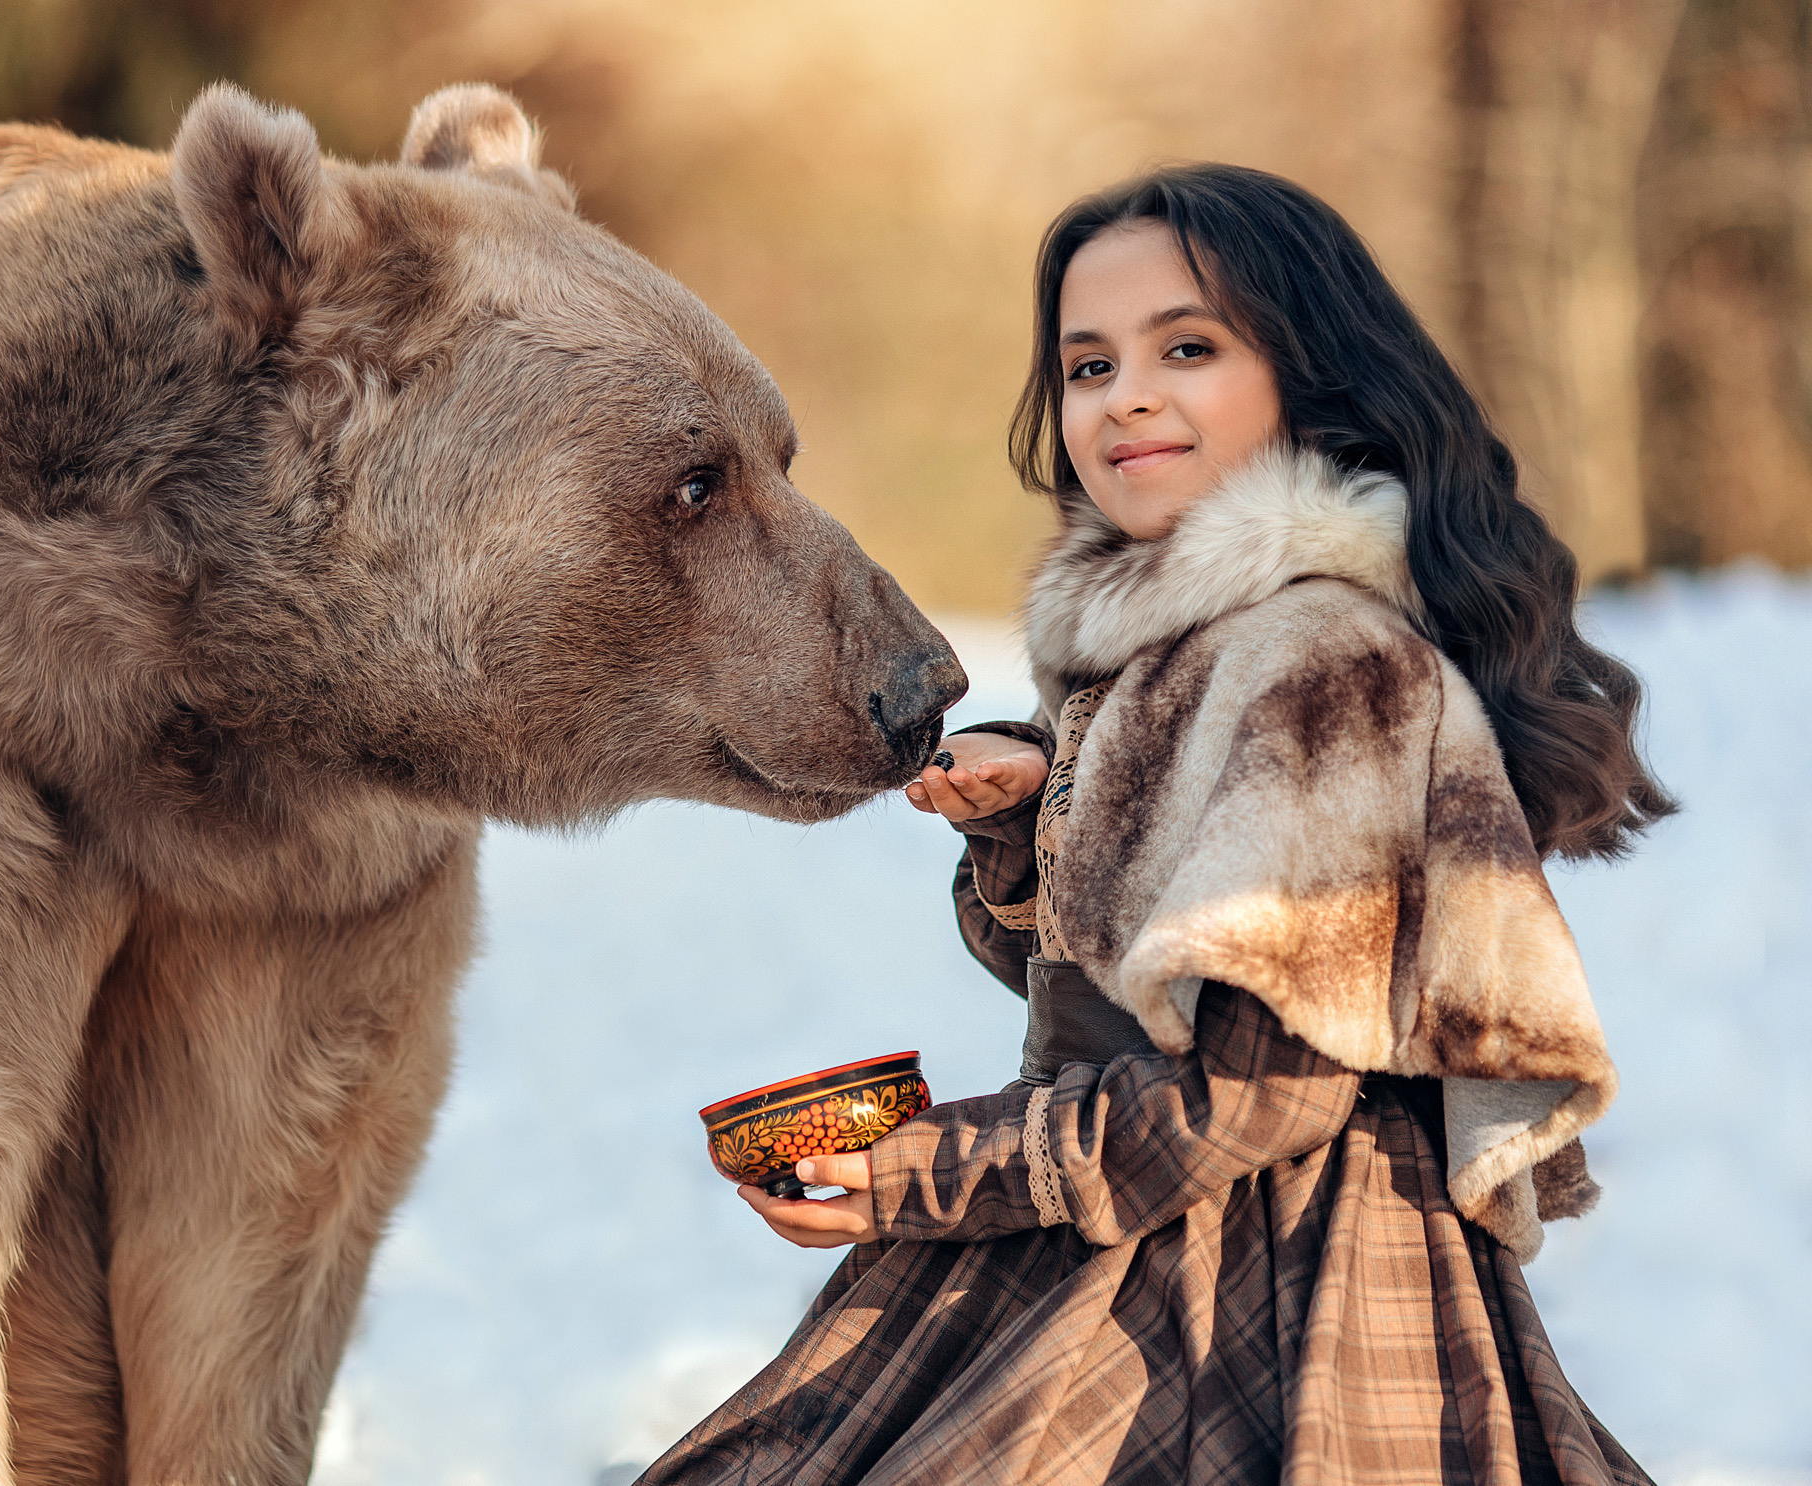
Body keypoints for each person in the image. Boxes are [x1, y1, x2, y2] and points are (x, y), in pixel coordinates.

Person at [641, 164, 1674, 1486]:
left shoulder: (1322, 663)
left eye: (1186, 346)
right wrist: (1029, 827)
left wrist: (920, 1168)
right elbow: (1116, 981)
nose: (1122, 394)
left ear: (1306, 372)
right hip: (1119, 1208)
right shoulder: (1174, 653)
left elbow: (1257, 1094)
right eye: (1085, 363)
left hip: (1268, 1271)